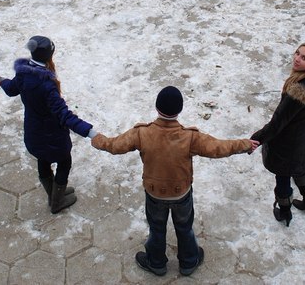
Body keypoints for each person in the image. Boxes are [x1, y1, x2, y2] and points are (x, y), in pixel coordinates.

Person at [91, 86, 258, 277]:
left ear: (157, 107)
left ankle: (156, 263)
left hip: (154, 193)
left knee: (156, 228)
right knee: (184, 228)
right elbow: (219, 147)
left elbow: (114, 145)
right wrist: (245, 144)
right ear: (180, 110)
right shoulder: (190, 137)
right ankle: (188, 262)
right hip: (181, 194)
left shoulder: (141, 133)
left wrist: (97, 139)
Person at [0, 36, 97, 213]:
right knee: (64, 162)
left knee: (43, 160)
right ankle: (57, 202)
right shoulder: (46, 85)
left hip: (33, 133)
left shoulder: (23, 73)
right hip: (52, 136)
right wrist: (89, 131)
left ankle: (53, 193)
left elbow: (11, 88)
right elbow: (63, 114)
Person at [250, 42, 305, 226]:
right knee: (300, 169)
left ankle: (284, 212)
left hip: (286, 143)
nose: (297, 59)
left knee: (283, 178)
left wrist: (255, 140)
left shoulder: (299, 93)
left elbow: (277, 123)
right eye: (297, 53)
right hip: (302, 137)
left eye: (304, 58)